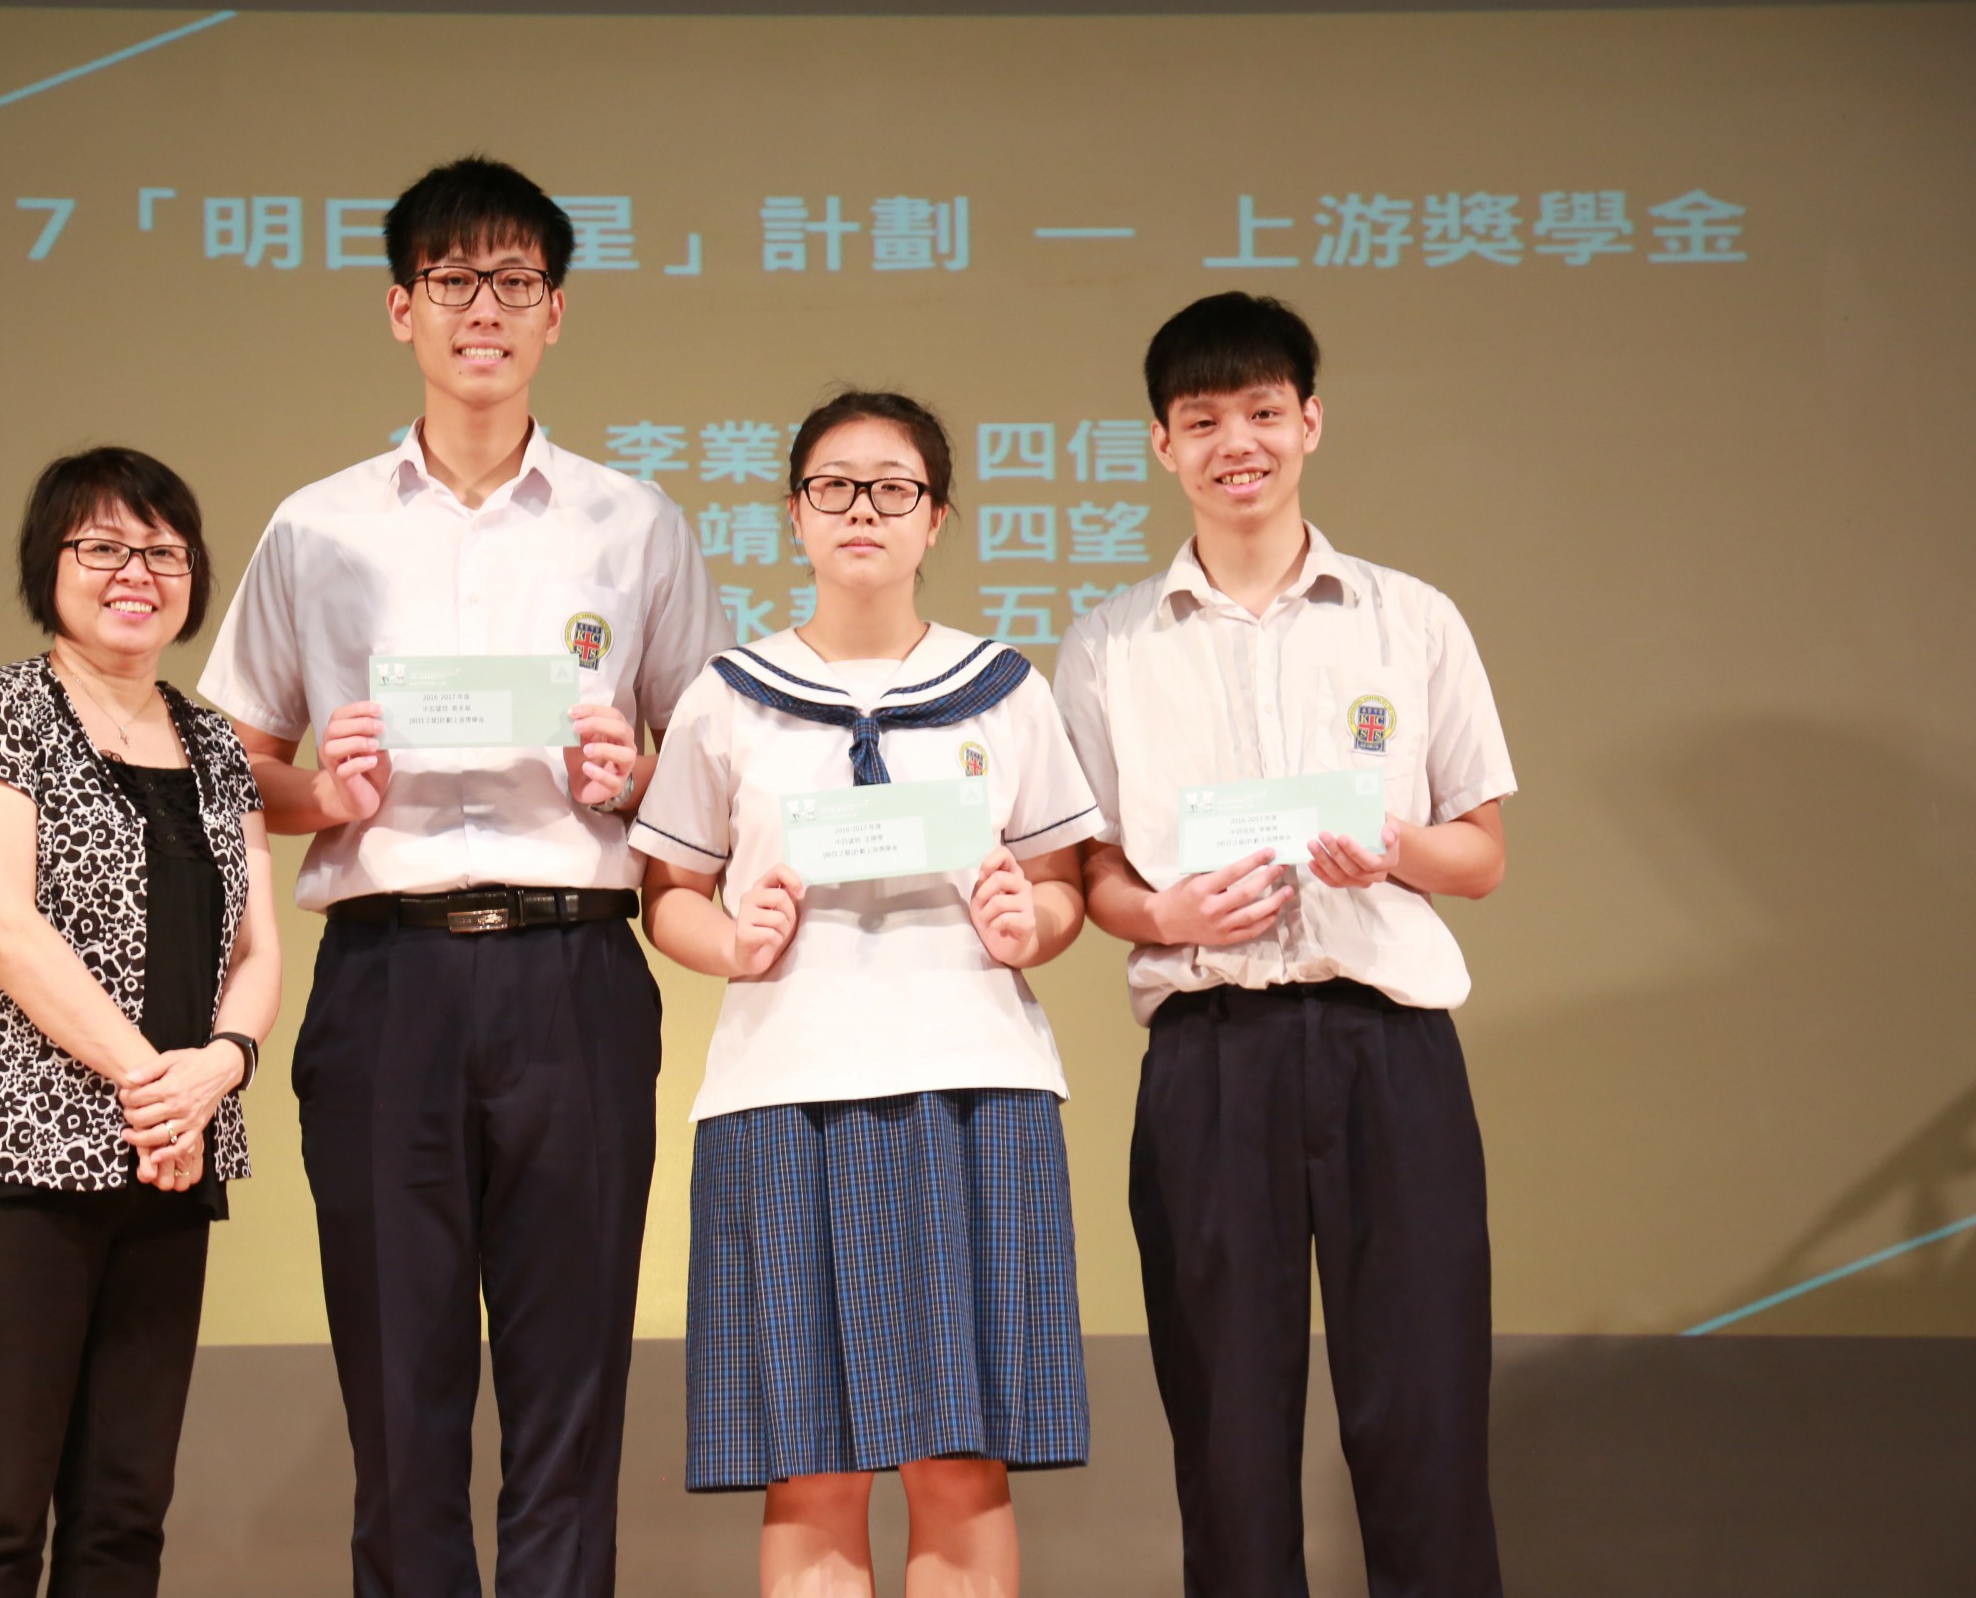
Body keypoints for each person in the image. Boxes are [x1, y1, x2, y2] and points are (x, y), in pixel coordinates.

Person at [195, 155, 727, 1597]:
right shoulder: (317, 525)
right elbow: (227, 763)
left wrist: (637, 777)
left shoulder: (635, 522)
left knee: (570, 1392)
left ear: (556, 311)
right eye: (451, 280)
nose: (481, 309)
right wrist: (324, 792)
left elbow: (714, 767)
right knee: (400, 1396)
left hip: (575, 972)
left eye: (512, 282)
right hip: (388, 977)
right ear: (400, 309)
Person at [1052, 292, 1518, 1597]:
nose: (1236, 444)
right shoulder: (1107, 645)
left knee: (1424, 1416)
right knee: (1229, 1435)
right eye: (1203, 420)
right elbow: (1094, 874)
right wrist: (1168, 916)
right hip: (1212, 1052)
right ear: (1163, 444)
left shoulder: (1410, 619)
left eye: (1262, 411)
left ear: (1310, 421)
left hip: (1390, 1048)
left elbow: (1482, 855)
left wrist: (1397, 846)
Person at [631, 390, 1106, 1597]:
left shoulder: (1003, 686)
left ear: (935, 517)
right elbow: (668, 891)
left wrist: (1031, 922)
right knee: (812, 1463)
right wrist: (732, 941)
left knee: (959, 1459)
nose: (862, 510)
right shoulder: (728, 692)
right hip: (782, 1093)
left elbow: (1062, 883)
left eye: (894, 488)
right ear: (794, 514)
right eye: (833, 487)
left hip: (975, 1087)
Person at [0, 446, 281, 1597]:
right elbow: (4, 929)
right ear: (47, 565)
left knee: (123, 1514)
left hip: (168, 1161)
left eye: (164, 551)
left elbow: (257, 951)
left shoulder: (215, 745)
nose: (136, 573)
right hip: (18, 1157)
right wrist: (157, 1082)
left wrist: (221, 1067)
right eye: (104, 546)